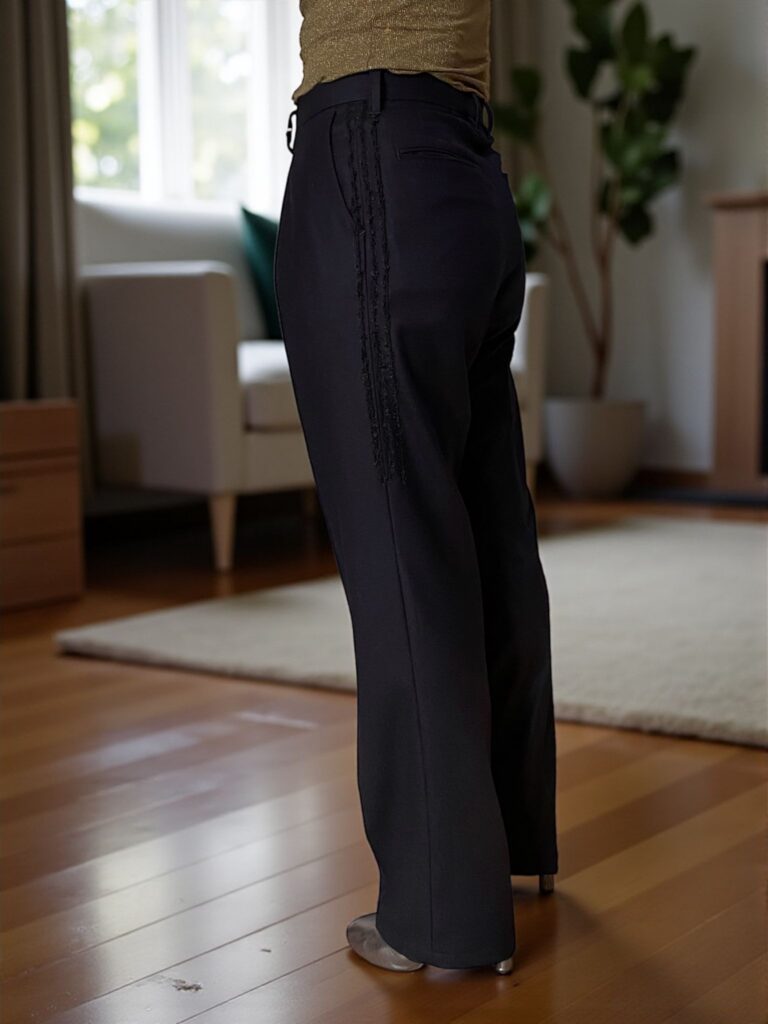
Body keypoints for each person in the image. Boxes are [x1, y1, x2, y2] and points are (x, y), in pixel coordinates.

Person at [274, 0, 559, 975]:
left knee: (402, 549)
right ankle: (510, 853)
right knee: (484, 533)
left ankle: (443, 916)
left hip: (369, 155)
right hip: (467, 169)